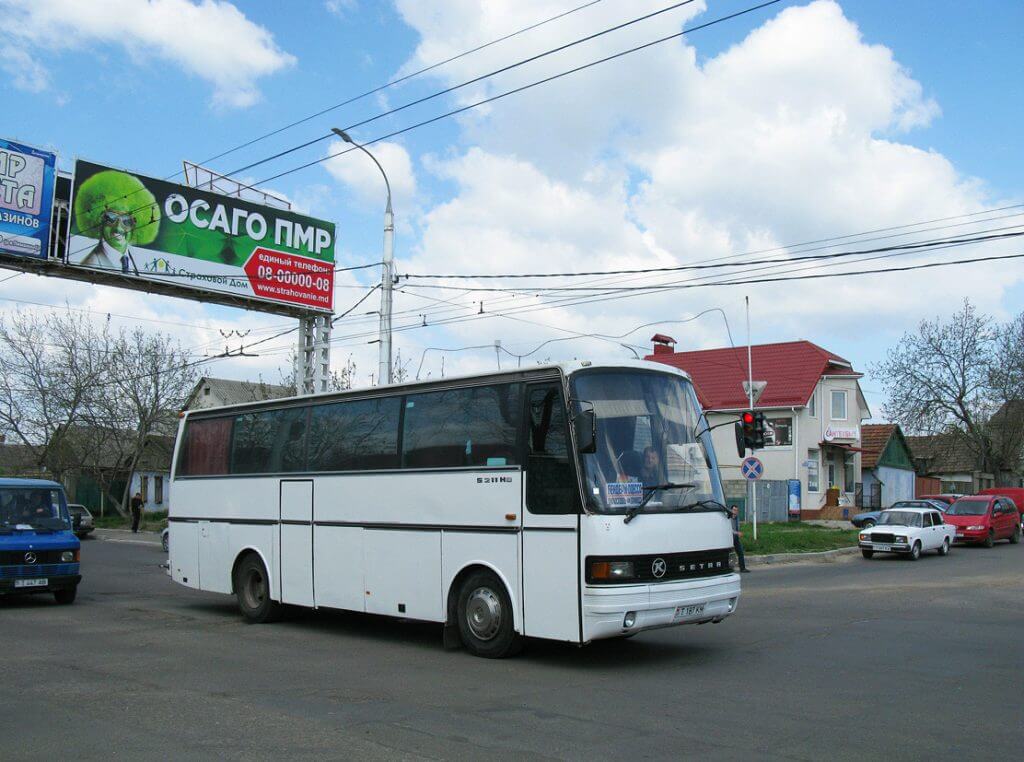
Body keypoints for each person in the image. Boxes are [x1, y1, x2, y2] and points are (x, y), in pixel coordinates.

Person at [731, 504, 749, 573]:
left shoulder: (737, 518)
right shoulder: (729, 518)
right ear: (731, 510)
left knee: (740, 553)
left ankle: (742, 568)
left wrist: (738, 533)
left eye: (737, 510)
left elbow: (737, 527)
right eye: (734, 510)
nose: (735, 511)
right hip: (730, 539)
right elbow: (729, 530)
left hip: (736, 539)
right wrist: (737, 533)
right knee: (730, 555)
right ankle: (729, 569)